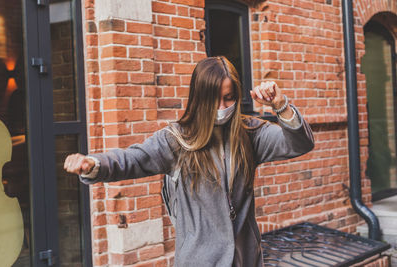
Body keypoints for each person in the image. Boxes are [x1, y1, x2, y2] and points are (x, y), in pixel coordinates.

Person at [64, 56, 315, 267]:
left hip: (245, 259)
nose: (222, 106)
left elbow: (301, 143)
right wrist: (94, 164)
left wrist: (281, 105)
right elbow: (134, 158)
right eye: (214, 99)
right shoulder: (177, 140)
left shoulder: (250, 133)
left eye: (229, 98)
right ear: (199, 99)